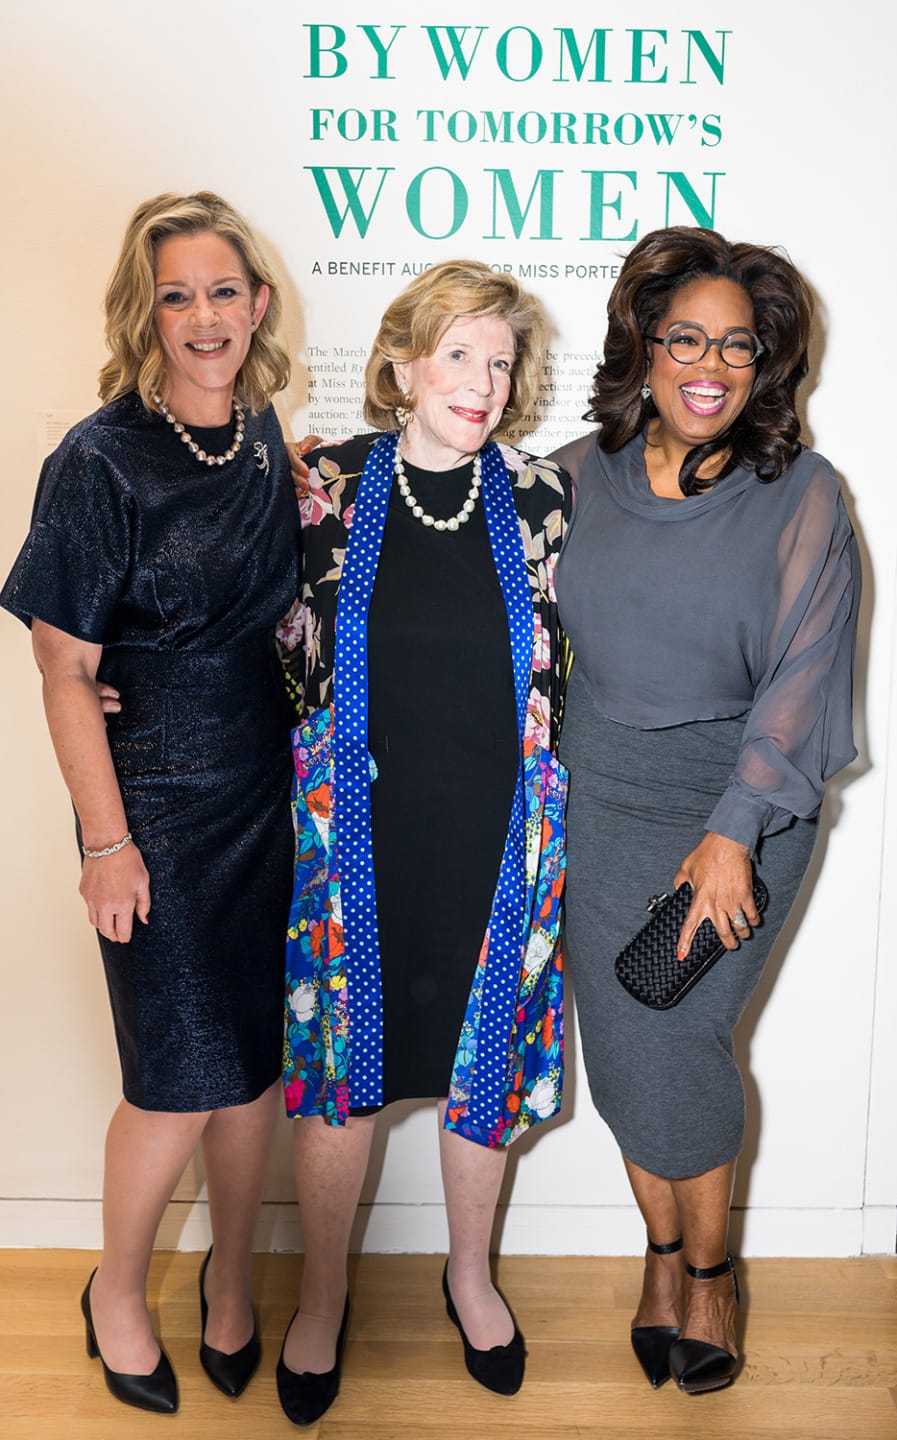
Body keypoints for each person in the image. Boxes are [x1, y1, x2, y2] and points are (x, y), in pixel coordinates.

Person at [1, 192, 301, 1414]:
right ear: (145, 312)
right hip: (156, 819)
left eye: (223, 290)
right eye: (175, 295)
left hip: (266, 797)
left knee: (252, 1071)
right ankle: (116, 1289)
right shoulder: (95, 460)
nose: (203, 317)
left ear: (259, 303)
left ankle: (231, 1279)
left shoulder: (265, 434)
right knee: (175, 1080)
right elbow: (63, 669)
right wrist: (107, 843)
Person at [551, 226, 859, 1394]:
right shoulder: (578, 475)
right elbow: (465, 572)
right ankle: (664, 1255)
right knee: (624, 1039)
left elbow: (803, 678)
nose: (711, 364)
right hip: (596, 791)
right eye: (687, 336)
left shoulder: (805, 497)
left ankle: (714, 1273)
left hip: (744, 798)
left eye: (740, 344)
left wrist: (732, 832)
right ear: (646, 341)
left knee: (672, 1020)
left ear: (766, 364)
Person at [274, 259, 572, 1424]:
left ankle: (468, 1274)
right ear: (402, 365)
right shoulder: (325, 485)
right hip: (353, 837)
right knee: (341, 1073)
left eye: (500, 362)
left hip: (497, 837)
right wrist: (109, 682)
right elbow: (236, 617)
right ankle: (322, 1290)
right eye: (459, 354)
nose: (483, 383)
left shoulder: (544, 496)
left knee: (477, 1061)